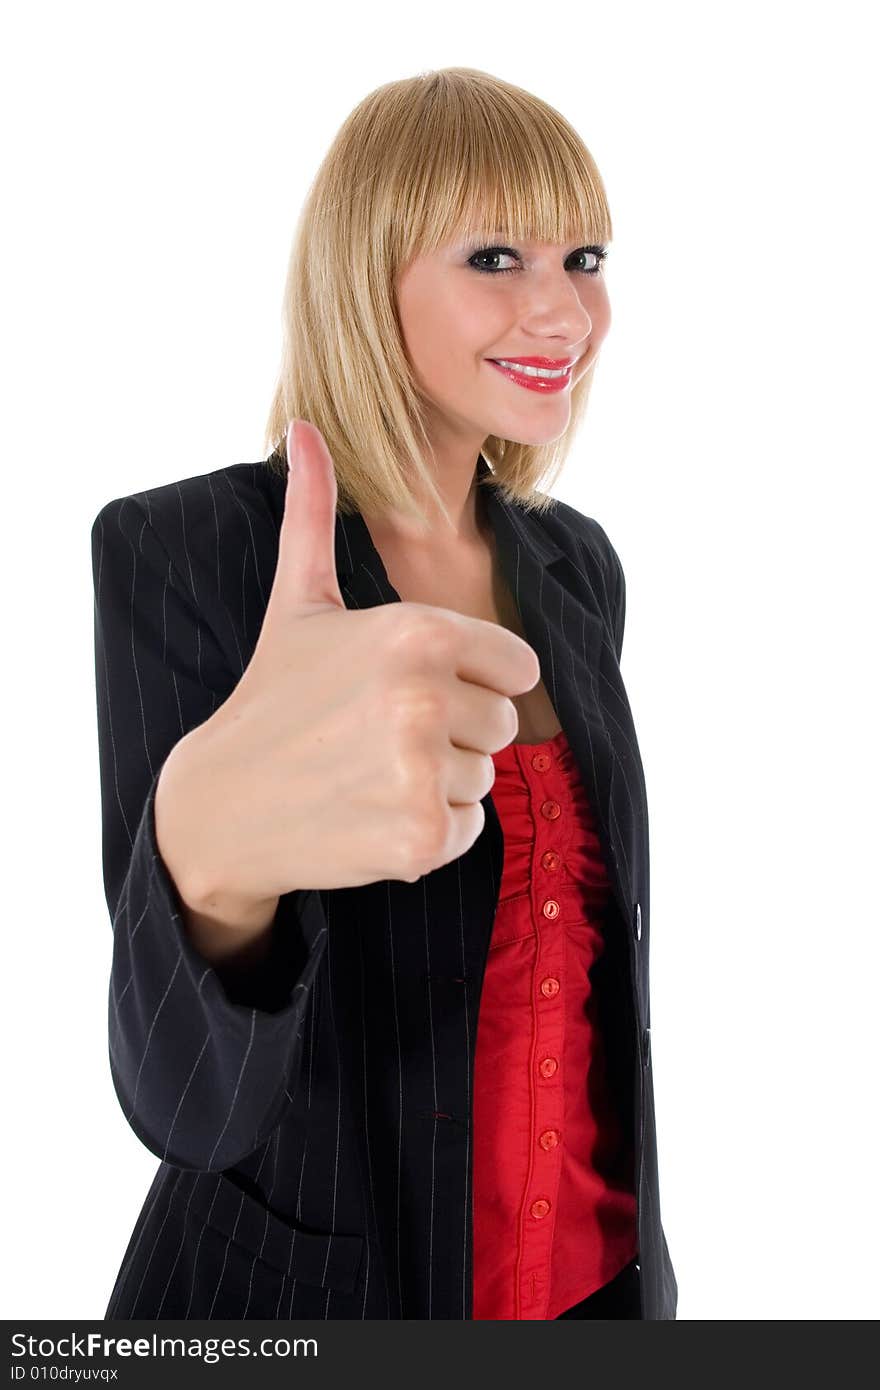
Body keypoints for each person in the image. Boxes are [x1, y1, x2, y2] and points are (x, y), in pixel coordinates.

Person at [91, 66, 678, 1320]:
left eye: (582, 255)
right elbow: (180, 1100)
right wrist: (209, 861)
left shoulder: (578, 565)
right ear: (368, 275)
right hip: (305, 1302)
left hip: (590, 1288)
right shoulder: (190, 554)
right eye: (493, 256)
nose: (559, 310)